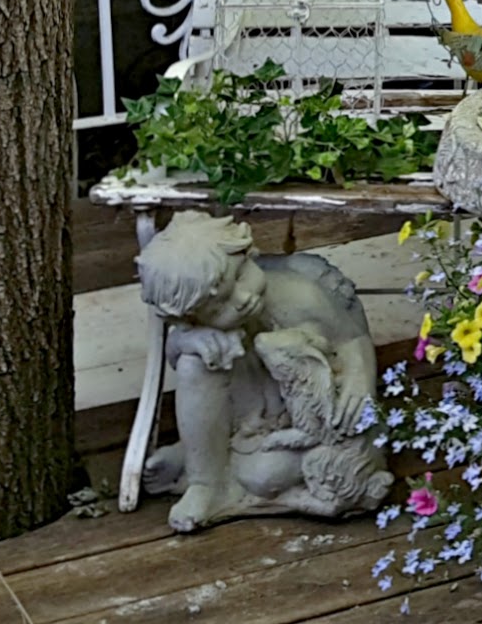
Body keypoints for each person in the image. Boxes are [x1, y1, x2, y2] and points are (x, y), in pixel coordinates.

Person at [135, 212, 390, 531]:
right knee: (193, 362)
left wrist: (360, 379)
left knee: (263, 476)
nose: (243, 299)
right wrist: (190, 340)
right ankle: (206, 481)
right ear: (191, 315)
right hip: (248, 415)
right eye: (219, 306)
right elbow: (175, 354)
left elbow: (352, 340)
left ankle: (210, 460)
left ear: (247, 254)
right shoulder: (199, 324)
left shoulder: (299, 297)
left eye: (241, 276)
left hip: (308, 421)